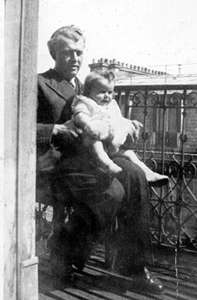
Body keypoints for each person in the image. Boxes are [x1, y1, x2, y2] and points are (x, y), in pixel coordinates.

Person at [36, 25, 164, 294]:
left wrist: (125, 125)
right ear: (52, 52)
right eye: (68, 52)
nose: (75, 59)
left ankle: (135, 266)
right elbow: (11, 126)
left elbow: (108, 117)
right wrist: (54, 129)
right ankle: (63, 249)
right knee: (112, 192)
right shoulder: (38, 83)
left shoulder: (90, 85)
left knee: (134, 174)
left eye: (79, 53)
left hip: (91, 159)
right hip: (58, 163)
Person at [71, 69, 169, 186]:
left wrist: (129, 123)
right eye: (102, 92)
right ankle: (107, 165)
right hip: (90, 144)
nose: (107, 96)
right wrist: (89, 125)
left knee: (130, 154)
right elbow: (79, 115)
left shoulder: (112, 105)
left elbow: (119, 119)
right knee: (94, 142)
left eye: (110, 92)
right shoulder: (86, 102)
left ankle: (148, 173)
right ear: (88, 92)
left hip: (110, 145)